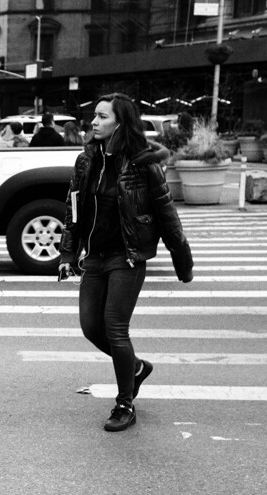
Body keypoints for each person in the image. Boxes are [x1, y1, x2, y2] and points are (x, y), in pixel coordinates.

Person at [59, 92, 194, 432]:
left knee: (115, 329)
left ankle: (124, 403)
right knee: (91, 328)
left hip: (127, 257)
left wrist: (183, 262)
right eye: (94, 116)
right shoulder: (86, 160)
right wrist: (68, 254)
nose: (93, 122)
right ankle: (135, 367)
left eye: (102, 117)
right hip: (95, 257)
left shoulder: (143, 163)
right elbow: (73, 210)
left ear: (121, 123)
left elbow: (167, 214)